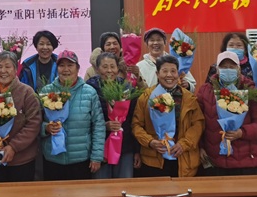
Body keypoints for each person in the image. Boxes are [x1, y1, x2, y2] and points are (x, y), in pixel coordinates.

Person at [132, 54, 203, 177]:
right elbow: (136, 125)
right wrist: (150, 142)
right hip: (154, 160)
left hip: (182, 157)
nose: (169, 75)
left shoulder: (189, 98)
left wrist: (184, 144)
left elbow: (198, 124)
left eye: (173, 71)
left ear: (178, 74)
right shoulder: (146, 97)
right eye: (165, 71)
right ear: (157, 74)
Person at [196, 51, 257, 175]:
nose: (228, 70)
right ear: (217, 69)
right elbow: (197, 122)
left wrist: (242, 132)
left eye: (231, 66)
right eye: (223, 67)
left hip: (246, 161)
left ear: (239, 69)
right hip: (215, 161)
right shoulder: (205, 91)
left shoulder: (250, 90)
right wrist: (200, 147)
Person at [39, 50, 105, 181]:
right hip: (53, 159)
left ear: (78, 68)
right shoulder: (47, 91)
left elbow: (98, 125)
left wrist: (97, 156)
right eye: (61, 65)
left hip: (80, 159)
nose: (66, 69)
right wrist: (45, 128)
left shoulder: (89, 92)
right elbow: (36, 122)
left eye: (70, 65)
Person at [0, 51, 41, 184]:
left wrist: (13, 146)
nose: (3, 71)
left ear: (16, 70)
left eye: (7, 66)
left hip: (22, 160)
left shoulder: (27, 92)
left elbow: (33, 124)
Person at [86, 51, 137, 179]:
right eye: (105, 67)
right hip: (100, 148)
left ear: (117, 68)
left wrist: (137, 151)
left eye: (112, 66)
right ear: (97, 69)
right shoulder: (90, 89)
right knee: (101, 186)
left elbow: (134, 120)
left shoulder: (127, 88)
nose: (109, 70)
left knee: (124, 185)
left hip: (125, 147)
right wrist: (104, 125)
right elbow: (84, 121)